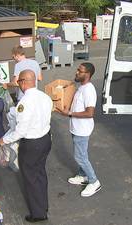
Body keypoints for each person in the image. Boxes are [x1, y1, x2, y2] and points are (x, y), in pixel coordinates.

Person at [0, 70, 52, 223]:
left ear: (22, 82)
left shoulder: (24, 103)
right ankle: (43, 205)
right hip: (45, 139)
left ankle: (38, 214)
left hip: (32, 144)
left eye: (18, 82)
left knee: (30, 178)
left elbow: (21, 130)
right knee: (40, 173)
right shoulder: (44, 97)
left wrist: (5, 140)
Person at [57, 62, 101, 197]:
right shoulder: (81, 87)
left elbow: (89, 113)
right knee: (82, 154)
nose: (76, 72)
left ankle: (94, 181)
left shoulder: (88, 90)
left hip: (82, 130)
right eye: (77, 70)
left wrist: (69, 114)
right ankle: (83, 176)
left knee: (80, 156)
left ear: (87, 74)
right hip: (76, 128)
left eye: (80, 71)